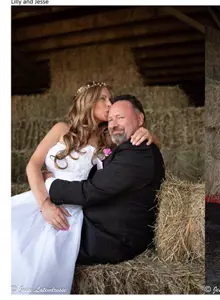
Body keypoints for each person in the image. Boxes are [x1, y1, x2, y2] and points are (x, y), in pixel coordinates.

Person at [11, 82, 161, 294]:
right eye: (104, 99)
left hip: (76, 206)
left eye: (111, 99)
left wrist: (152, 137)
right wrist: (45, 204)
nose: (110, 104)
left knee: (41, 257)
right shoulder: (61, 129)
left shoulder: (108, 137)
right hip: (43, 198)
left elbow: (136, 149)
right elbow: (33, 165)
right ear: (89, 102)